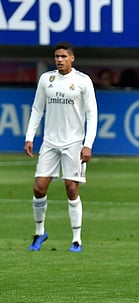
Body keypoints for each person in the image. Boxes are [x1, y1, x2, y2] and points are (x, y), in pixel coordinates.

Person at [24, 41, 98, 253]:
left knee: (71, 188)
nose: (59, 60)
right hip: (50, 142)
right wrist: (30, 137)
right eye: (57, 56)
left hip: (74, 143)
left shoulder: (82, 81)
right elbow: (37, 109)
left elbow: (92, 114)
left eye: (64, 56)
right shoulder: (47, 80)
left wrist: (88, 144)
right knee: (39, 188)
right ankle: (39, 233)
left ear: (72, 58)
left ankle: (76, 239)